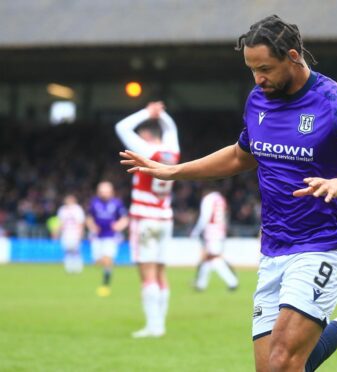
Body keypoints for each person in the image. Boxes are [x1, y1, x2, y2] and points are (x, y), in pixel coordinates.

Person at [120, 15, 337, 370]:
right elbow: (241, 155)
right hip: (273, 249)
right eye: (251, 69)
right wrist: (174, 171)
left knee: (282, 364)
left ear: (292, 56)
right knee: (276, 367)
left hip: (321, 245)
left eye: (265, 68)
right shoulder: (259, 99)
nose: (258, 79)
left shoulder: (336, 104)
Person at [116, 101, 180, 338]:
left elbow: (122, 127)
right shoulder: (172, 152)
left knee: (148, 273)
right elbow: (172, 131)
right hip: (165, 217)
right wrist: (162, 114)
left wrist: (147, 112)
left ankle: (154, 326)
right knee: (161, 271)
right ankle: (159, 324)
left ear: (146, 135)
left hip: (144, 217)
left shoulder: (146, 150)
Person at [190, 185, 238, 291]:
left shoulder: (208, 199)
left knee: (214, 258)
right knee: (208, 258)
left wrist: (196, 231)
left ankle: (232, 282)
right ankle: (201, 284)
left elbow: (205, 217)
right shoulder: (220, 199)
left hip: (212, 232)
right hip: (220, 231)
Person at [86, 181, 129, 297]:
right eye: (101, 191)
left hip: (111, 236)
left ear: (111, 192)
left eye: (106, 191)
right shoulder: (94, 203)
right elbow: (89, 218)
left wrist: (118, 226)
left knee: (107, 260)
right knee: (97, 262)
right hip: (97, 237)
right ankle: (106, 273)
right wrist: (92, 226)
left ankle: (105, 285)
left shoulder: (117, 203)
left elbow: (125, 218)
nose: (104, 194)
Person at [55, 194, 85, 274]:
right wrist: (57, 232)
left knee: (76, 251)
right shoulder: (62, 210)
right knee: (67, 251)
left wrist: (80, 233)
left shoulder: (77, 209)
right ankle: (69, 268)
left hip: (75, 233)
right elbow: (60, 222)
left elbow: (80, 222)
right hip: (65, 234)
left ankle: (78, 268)